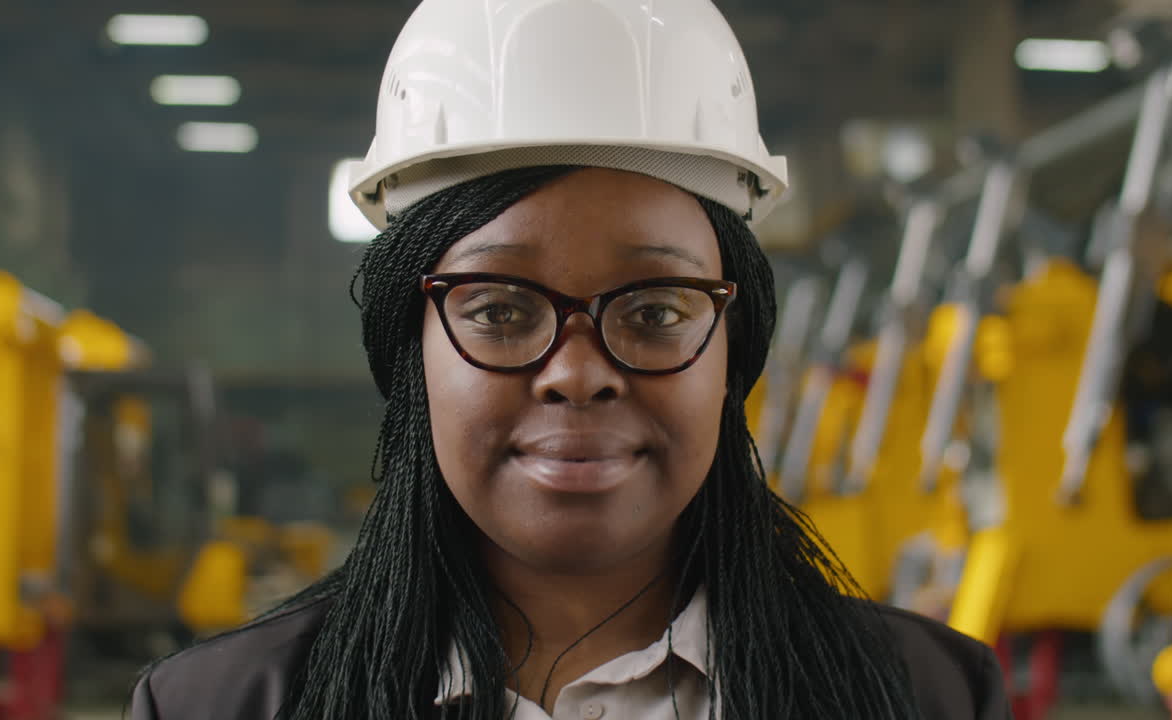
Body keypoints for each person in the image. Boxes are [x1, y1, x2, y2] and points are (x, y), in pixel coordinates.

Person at [129, 1, 1011, 718]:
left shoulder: (926, 697)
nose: (577, 371)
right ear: (411, 353)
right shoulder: (226, 706)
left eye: (657, 309)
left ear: (733, 353)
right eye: (500, 310)